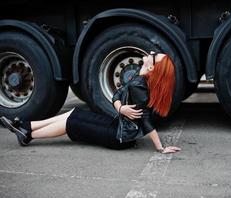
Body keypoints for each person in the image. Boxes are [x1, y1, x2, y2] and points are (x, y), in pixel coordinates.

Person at [0, 51, 181, 154]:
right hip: (116, 125)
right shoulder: (136, 77)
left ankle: (28, 133)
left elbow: (146, 119)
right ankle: (26, 127)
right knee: (75, 113)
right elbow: (116, 95)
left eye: (154, 55)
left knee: (73, 123)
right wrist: (121, 108)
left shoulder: (140, 87)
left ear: (151, 67)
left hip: (117, 137)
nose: (151, 53)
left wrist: (160, 147)